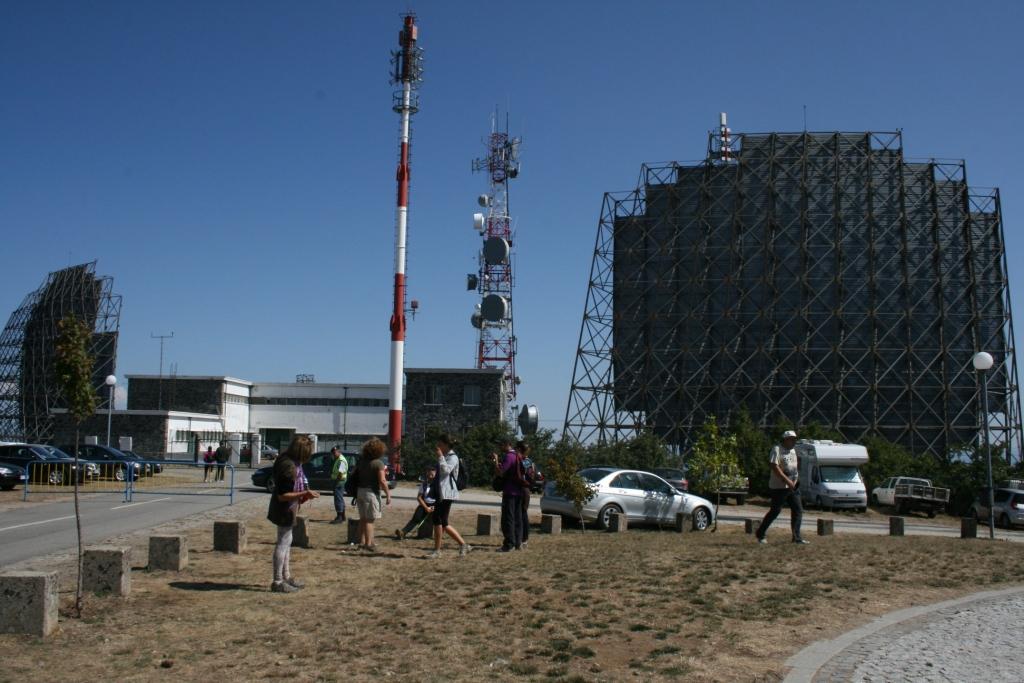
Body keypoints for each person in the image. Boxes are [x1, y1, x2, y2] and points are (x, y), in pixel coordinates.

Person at [267, 435, 319, 593]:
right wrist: (305, 493)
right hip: (284, 508)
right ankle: (277, 581)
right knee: (283, 544)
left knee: (287, 543)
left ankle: (286, 577)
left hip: (289, 507)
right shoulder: (289, 467)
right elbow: (282, 495)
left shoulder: (287, 460)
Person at [755, 430, 808, 545]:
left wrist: (795, 479)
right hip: (779, 487)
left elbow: (794, 466)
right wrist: (786, 480)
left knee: (798, 510)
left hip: (792, 487)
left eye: (795, 439)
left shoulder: (793, 451)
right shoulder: (777, 449)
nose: (794, 441)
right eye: (791, 439)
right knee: (775, 511)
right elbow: (774, 466)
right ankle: (760, 534)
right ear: (785, 439)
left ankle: (796, 538)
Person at [429, 433, 471, 558]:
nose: (438, 446)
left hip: (447, 493)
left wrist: (440, 456)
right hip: (441, 492)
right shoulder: (446, 456)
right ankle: (463, 545)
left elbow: (446, 471)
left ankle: (437, 551)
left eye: (440, 443)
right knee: (443, 522)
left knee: (438, 520)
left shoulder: (453, 457)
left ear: (446, 445)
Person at [355, 437, 391, 551]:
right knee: (370, 520)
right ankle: (369, 544)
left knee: (363, 519)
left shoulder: (362, 462)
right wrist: (388, 494)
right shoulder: (378, 463)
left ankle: (361, 542)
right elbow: (382, 481)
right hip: (371, 493)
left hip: (360, 491)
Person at [493, 436, 527, 552]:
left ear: (506, 444)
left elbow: (500, 473)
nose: (499, 447)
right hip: (519, 491)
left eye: (500, 445)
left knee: (508, 518)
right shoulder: (518, 456)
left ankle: (509, 544)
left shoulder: (509, 457)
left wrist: (496, 461)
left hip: (510, 491)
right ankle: (518, 543)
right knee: (518, 518)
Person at [395, 464, 437, 540]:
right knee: (416, 518)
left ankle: (435, 536)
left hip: (435, 506)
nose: (429, 474)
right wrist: (426, 507)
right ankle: (403, 533)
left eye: (432, 472)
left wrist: (434, 506)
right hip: (424, 504)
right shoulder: (424, 484)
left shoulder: (439, 485)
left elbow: (441, 498)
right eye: (428, 472)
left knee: (434, 521)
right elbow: (419, 497)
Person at [517, 440, 535, 549]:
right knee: (520, 514)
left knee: (523, 514)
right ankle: (521, 538)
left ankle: (524, 539)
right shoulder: (525, 460)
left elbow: (526, 475)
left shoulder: (526, 461)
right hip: (522, 489)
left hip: (524, 489)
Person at [329, 446, 348, 524]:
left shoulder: (341, 460)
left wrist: (336, 481)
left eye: (334, 453)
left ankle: (339, 517)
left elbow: (341, 472)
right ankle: (342, 516)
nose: (333, 454)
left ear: (339, 452)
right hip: (338, 481)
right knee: (340, 498)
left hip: (339, 481)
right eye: (332, 453)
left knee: (338, 499)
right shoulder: (338, 459)